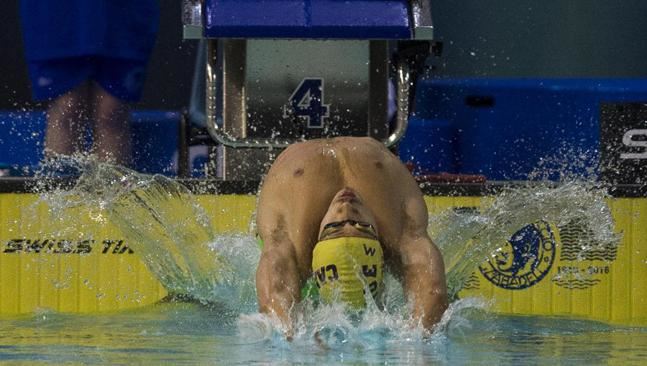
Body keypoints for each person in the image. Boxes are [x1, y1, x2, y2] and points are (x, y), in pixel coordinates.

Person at [255, 136, 448, 336]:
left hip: (300, 166)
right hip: (370, 161)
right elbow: (433, 292)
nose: (345, 209)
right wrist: (419, 338)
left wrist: (290, 336)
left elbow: (275, 298)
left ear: (318, 243)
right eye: (362, 226)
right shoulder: (397, 235)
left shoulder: (295, 250)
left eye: (334, 226)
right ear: (381, 250)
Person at [20, 0, 160, 166]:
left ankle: (113, 189)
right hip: (59, 11)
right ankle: (61, 188)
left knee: (111, 110)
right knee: (68, 106)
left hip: (121, 11)